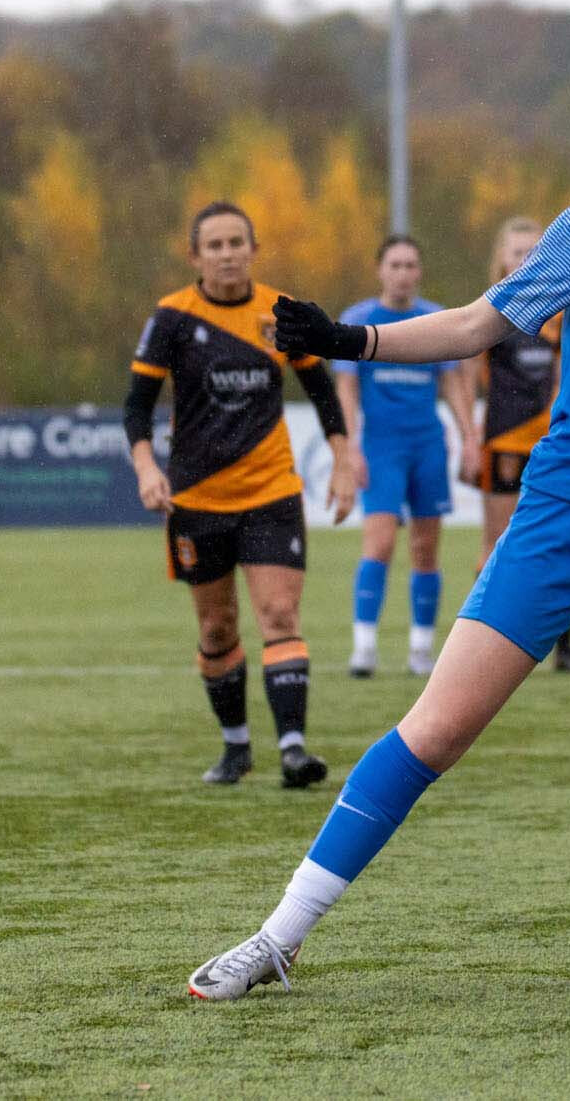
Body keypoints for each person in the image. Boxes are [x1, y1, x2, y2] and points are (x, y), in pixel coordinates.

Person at [187, 44, 570, 1001]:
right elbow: (473, 324)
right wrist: (352, 339)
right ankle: (279, 936)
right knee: (438, 728)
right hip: (561, 518)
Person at [125, 202, 360, 790]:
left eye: (237, 243)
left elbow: (321, 390)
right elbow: (136, 406)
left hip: (271, 491)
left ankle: (293, 750)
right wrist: (145, 468)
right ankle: (235, 748)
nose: (227, 253)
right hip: (198, 500)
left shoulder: (280, 313)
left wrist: (342, 460)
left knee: (279, 614)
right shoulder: (172, 317)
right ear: (195, 256)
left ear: (253, 249)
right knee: (217, 629)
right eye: (215, 245)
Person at [334, 236, 480, 677]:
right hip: (381, 447)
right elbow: (345, 387)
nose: (403, 272)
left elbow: (453, 384)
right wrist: (349, 446)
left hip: (427, 446)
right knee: (378, 542)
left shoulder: (435, 319)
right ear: (380, 269)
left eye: (411, 265)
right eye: (395, 264)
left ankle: (420, 650)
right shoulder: (358, 321)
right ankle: (364, 647)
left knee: (425, 548)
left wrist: (469, 436)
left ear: (420, 271)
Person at [472, 217, 570, 673]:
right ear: (501, 259)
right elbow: (467, 375)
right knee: (497, 545)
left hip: (553, 443)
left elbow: (568, 373)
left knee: (559, 542)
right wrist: (466, 434)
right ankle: (481, 647)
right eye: (516, 251)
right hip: (502, 441)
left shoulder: (563, 313)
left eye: (533, 249)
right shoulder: (491, 312)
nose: (525, 258)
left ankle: (565, 648)